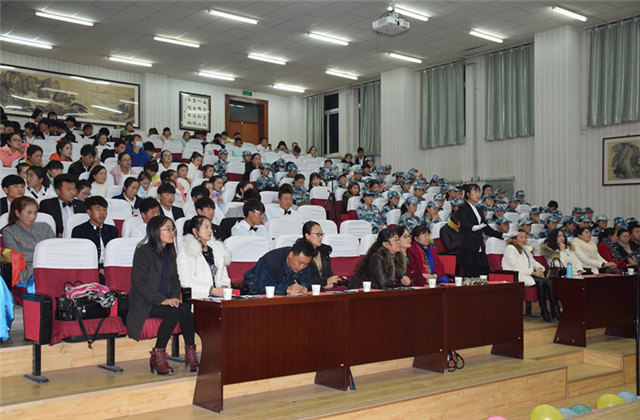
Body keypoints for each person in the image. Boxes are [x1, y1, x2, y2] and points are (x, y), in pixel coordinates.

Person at [127, 216, 198, 375]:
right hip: (146, 303)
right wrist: (163, 300)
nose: (172, 232)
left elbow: (175, 280)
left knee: (184, 308)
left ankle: (190, 353)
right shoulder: (143, 251)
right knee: (175, 311)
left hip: (165, 301)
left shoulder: (169, 252)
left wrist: (174, 298)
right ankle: (158, 354)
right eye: (168, 229)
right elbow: (139, 282)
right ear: (155, 231)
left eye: (173, 229)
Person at [503, 230, 559, 322]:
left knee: (549, 282)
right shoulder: (510, 248)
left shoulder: (526, 249)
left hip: (527, 274)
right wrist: (533, 272)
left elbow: (534, 262)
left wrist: (540, 269)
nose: (524, 239)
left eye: (525, 237)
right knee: (541, 283)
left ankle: (554, 309)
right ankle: (544, 310)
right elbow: (515, 266)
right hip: (516, 275)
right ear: (514, 239)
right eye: (521, 237)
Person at [1, 197, 55, 286]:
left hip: (48, 266)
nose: (33, 217)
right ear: (17, 213)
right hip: (26, 270)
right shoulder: (8, 231)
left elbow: (53, 250)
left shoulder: (45, 227)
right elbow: (16, 257)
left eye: (35, 213)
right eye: (29, 213)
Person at [177, 216, 231, 299]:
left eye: (210, 227)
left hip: (219, 297)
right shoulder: (186, 251)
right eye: (206, 227)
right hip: (199, 297)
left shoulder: (217, 250)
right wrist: (211, 290)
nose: (210, 230)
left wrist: (224, 286)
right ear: (195, 231)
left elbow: (224, 276)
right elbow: (184, 281)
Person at [457, 183, 504, 276]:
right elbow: (464, 223)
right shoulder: (463, 207)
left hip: (479, 245)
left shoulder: (478, 209)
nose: (478, 194)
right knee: (470, 276)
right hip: (468, 247)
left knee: (483, 275)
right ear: (468, 194)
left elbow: (486, 227)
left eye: (479, 192)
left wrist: (502, 235)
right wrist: (473, 227)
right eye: (475, 191)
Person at [71, 196, 119, 281]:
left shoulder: (113, 230)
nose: (102, 213)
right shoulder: (79, 231)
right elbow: (80, 256)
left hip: (110, 267)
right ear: (89, 212)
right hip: (89, 268)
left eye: (104, 209)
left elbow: (115, 253)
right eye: (98, 209)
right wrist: (99, 269)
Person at [242, 238, 312, 295]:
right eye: (299, 263)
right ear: (290, 254)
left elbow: (306, 284)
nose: (301, 267)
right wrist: (286, 289)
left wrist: (303, 288)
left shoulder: (304, 261)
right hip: (253, 289)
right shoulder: (270, 260)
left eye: (306, 264)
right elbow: (259, 288)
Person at [302, 221, 342, 289]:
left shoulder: (324, 251)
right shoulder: (300, 254)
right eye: (317, 234)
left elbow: (330, 276)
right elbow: (303, 281)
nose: (321, 237)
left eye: (321, 234)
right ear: (307, 236)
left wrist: (331, 283)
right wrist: (325, 282)